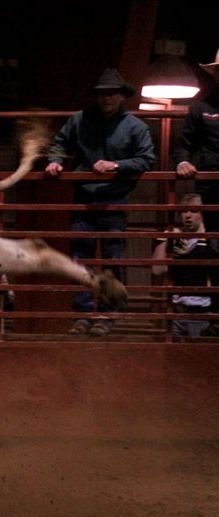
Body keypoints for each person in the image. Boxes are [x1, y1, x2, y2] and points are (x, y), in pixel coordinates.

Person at [44, 68, 155, 336]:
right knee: (80, 257)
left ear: (121, 96)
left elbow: (147, 159)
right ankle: (82, 314)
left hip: (114, 197)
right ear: (97, 96)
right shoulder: (79, 120)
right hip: (85, 195)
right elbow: (59, 144)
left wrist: (117, 164)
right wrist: (55, 161)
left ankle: (107, 315)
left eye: (111, 94)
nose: (106, 99)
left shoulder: (135, 126)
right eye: (102, 94)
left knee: (111, 258)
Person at [172, 49, 219, 336]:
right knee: (214, 252)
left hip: (212, 187)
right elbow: (184, 144)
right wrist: (183, 160)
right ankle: (214, 317)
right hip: (213, 189)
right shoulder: (201, 107)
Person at [152, 194, 211, 337]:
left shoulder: (212, 241)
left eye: (193, 211)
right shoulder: (176, 239)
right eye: (184, 211)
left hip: (202, 315)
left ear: (203, 213)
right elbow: (157, 270)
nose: (188, 216)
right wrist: (165, 240)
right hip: (176, 313)